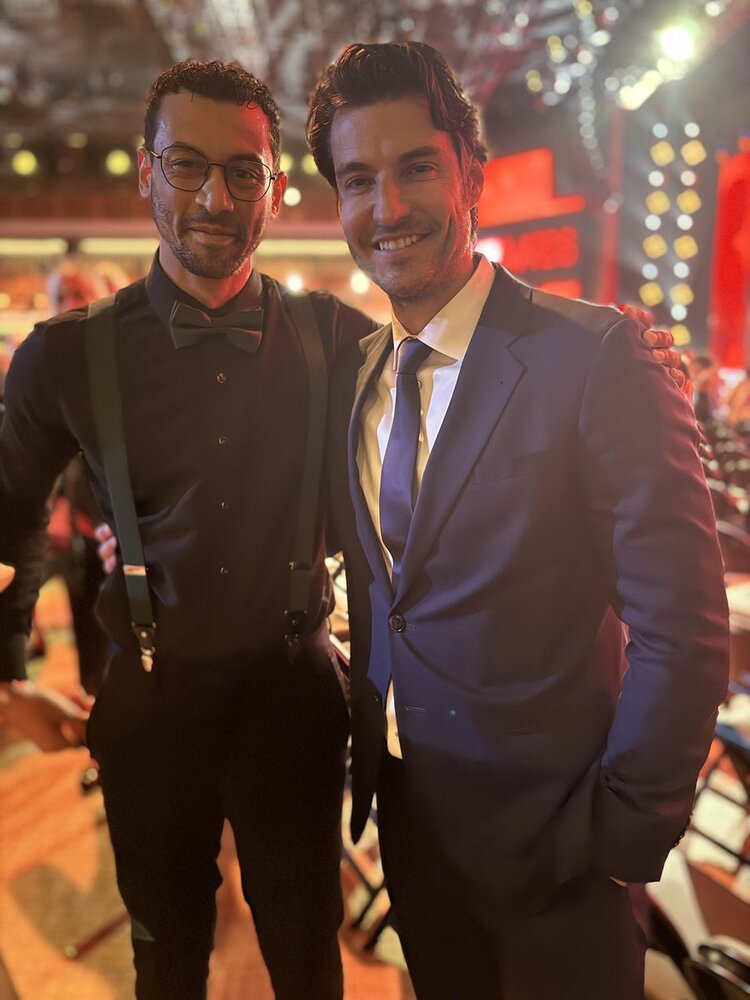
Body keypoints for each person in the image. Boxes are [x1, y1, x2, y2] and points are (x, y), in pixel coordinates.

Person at [306, 41, 730, 999]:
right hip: (413, 831)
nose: (388, 206)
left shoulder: (597, 358)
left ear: (472, 174)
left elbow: (685, 627)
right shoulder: (354, 376)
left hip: (563, 848)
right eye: (359, 179)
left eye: (417, 167)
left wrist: (625, 834)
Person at [0, 59, 377, 1000]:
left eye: (244, 171)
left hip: (295, 699)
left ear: (275, 190)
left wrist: (609, 353)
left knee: (307, 954)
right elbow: (9, 516)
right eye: (186, 165)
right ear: (146, 173)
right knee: (165, 961)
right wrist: (7, 675)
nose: (215, 196)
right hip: (150, 705)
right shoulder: (65, 355)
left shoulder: (340, 337)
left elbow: (452, 392)